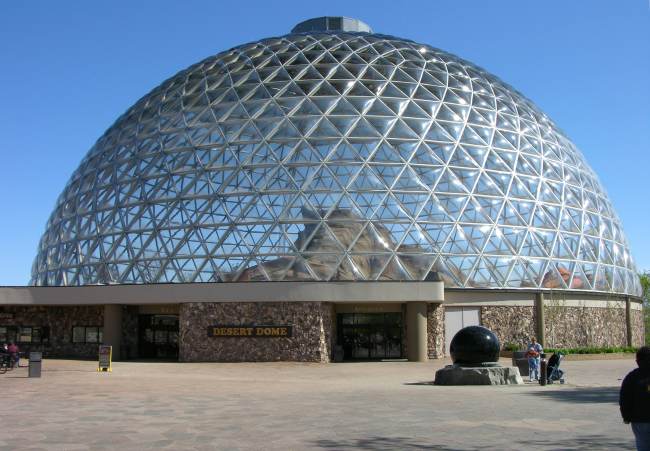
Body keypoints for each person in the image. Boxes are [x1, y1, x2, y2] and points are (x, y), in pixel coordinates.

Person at [620, 346, 650, 451]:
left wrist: (626, 416)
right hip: (639, 419)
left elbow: (624, 398)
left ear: (638, 361)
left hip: (639, 420)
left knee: (643, 445)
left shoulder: (631, 377)